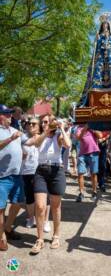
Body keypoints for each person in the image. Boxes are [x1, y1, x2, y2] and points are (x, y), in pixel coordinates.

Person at [26, 115, 71, 254]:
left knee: (56, 206)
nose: (46, 124)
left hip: (57, 171)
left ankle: (56, 235)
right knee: (40, 206)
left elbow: (68, 144)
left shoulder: (58, 136)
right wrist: (46, 131)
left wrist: (62, 128)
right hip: (41, 171)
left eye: (48, 122)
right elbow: (37, 143)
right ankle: (39, 239)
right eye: (43, 122)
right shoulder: (38, 136)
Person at [0, 104, 24, 251]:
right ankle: (1, 236)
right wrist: (10, 139)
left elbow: (28, 142)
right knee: (1, 209)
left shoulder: (16, 130)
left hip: (16, 175)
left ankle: (7, 228)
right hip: (1, 177)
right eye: (7, 114)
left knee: (18, 203)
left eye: (10, 114)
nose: (10, 116)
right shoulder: (9, 133)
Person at [20, 117, 40, 228]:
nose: (30, 125)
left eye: (33, 124)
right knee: (29, 196)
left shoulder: (42, 137)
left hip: (40, 170)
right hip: (27, 170)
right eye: (29, 123)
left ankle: (41, 219)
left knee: (40, 196)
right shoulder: (23, 137)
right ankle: (30, 218)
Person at [76, 124, 102, 202]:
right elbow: (78, 138)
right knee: (80, 173)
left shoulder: (94, 127)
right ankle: (81, 193)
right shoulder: (79, 128)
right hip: (82, 154)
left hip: (93, 152)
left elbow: (100, 136)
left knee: (93, 173)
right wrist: (85, 128)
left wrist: (93, 128)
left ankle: (94, 192)